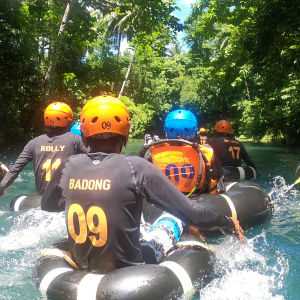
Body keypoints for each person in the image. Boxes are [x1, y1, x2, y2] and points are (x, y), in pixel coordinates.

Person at [41, 96, 244, 273]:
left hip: (81, 263)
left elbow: (48, 205)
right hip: (129, 269)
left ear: (83, 134)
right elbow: (192, 214)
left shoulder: (68, 165)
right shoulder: (135, 167)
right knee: (172, 216)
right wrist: (226, 222)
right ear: (126, 135)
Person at [0, 102, 87, 197]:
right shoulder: (75, 140)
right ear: (69, 121)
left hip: (43, 200)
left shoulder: (33, 143)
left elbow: (13, 172)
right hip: (66, 199)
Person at [163, 109, 224, 194]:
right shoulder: (209, 155)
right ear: (195, 132)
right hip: (200, 201)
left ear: (166, 133)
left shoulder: (153, 154)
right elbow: (220, 183)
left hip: (164, 202)